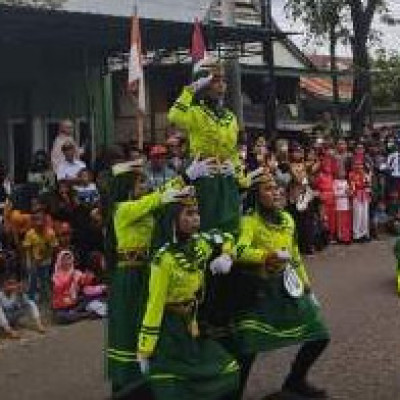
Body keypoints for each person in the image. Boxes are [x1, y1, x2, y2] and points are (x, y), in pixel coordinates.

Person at [234, 174, 330, 399]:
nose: (276, 192)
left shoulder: (287, 219)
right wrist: (265, 256)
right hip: (260, 290)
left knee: (320, 335)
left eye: (278, 188)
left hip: (288, 286)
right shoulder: (249, 220)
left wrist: (307, 286)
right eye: (268, 189)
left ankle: (295, 381)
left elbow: (295, 256)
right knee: (249, 347)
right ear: (257, 196)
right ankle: (234, 393)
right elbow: (238, 251)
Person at [137, 194, 239, 400]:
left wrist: (228, 254)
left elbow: (227, 236)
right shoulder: (163, 259)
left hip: (192, 324)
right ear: (174, 219)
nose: (196, 219)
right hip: (170, 331)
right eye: (189, 214)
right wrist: (144, 349)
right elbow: (154, 306)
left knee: (229, 370)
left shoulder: (201, 244)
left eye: (197, 213)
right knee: (174, 386)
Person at [105, 159, 191, 400]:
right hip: (128, 278)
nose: (146, 185)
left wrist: (185, 184)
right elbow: (154, 201)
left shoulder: (145, 207)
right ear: (126, 186)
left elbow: (161, 208)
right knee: (127, 330)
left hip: (147, 274)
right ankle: (122, 388)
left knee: (146, 327)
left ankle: (145, 387)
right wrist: (180, 180)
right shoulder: (121, 209)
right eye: (141, 181)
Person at [168, 57, 261, 234]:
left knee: (231, 226)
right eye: (215, 80)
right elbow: (174, 116)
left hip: (225, 179)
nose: (221, 85)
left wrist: (239, 176)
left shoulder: (230, 117)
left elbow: (233, 153)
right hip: (203, 175)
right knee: (205, 226)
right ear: (204, 84)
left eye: (223, 80)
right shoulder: (195, 112)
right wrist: (191, 90)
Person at [23, 210, 58, 302]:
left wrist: (44, 257)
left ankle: (44, 296)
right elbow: (28, 249)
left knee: (44, 279)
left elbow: (53, 248)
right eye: (36, 220)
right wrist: (32, 261)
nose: (39, 223)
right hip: (32, 260)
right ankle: (31, 297)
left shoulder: (50, 233)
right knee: (32, 279)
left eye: (41, 220)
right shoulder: (30, 233)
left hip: (46, 260)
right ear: (33, 222)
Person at [51, 250, 90, 324]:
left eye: (69, 259)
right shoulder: (55, 276)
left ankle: (75, 313)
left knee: (87, 299)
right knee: (60, 317)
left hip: (75, 303)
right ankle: (83, 315)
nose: (67, 262)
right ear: (60, 261)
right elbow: (58, 290)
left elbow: (85, 284)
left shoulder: (77, 272)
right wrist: (71, 278)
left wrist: (86, 278)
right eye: (64, 259)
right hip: (62, 305)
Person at [349, 157, 371, 242]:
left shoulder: (365, 174)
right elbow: (353, 186)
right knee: (357, 216)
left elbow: (368, 185)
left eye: (360, 165)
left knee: (365, 215)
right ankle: (356, 235)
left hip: (365, 195)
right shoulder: (352, 174)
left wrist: (367, 181)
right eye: (357, 165)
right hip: (356, 195)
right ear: (354, 166)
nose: (359, 166)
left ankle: (364, 233)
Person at [333, 170, 352, 244]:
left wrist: (348, 192)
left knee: (346, 222)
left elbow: (348, 192)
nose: (342, 174)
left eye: (343, 173)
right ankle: (340, 238)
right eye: (340, 173)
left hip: (345, 204)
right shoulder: (335, 182)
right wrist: (344, 193)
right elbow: (335, 193)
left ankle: (346, 237)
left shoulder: (345, 182)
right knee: (340, 222)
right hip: (339, 204)